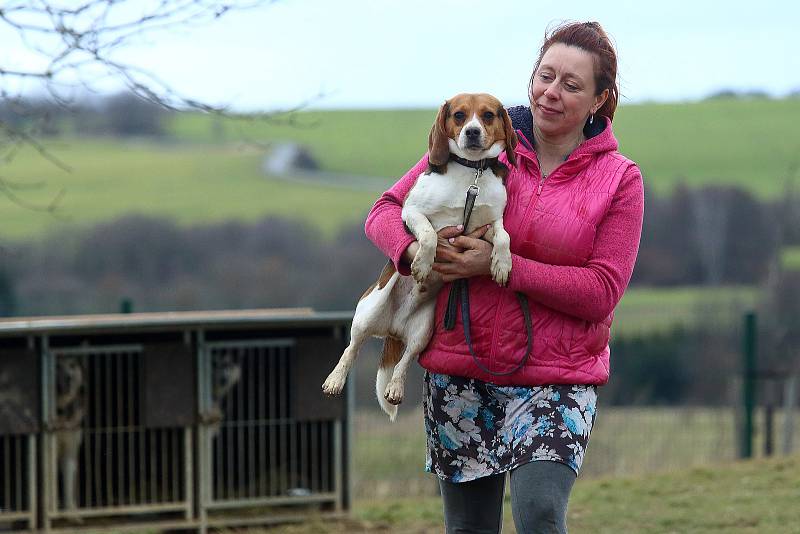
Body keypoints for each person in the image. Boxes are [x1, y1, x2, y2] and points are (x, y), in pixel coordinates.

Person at [365, 21, 644, 534]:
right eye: (545, 76)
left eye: (571, 85)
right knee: (468, 528)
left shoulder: (619, 179)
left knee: (539, 515)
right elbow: (384, 211)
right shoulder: (481, 141)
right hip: (461, 370)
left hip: (554, 379)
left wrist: (499, 269)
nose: (551, 93)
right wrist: (417, 254)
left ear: (600, 100)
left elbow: (602, 293)